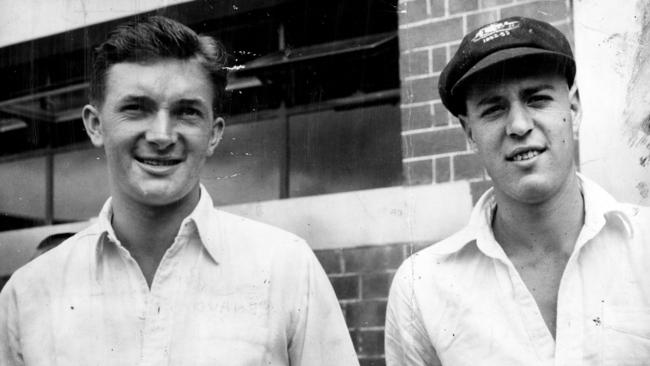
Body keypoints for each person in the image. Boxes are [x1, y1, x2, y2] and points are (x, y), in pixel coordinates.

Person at [0, 16, 358, 366]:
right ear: (95, 125)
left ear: (214, 133)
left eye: (187, 112)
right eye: (136, 109)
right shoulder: (27, 295)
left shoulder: (287, 269)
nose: (161, 135)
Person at [385, 16, 650, 365]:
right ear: (469, 133)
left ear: (573, 108)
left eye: (537, 99)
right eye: (494, 109)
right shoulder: (421, 287)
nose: (519, 125)